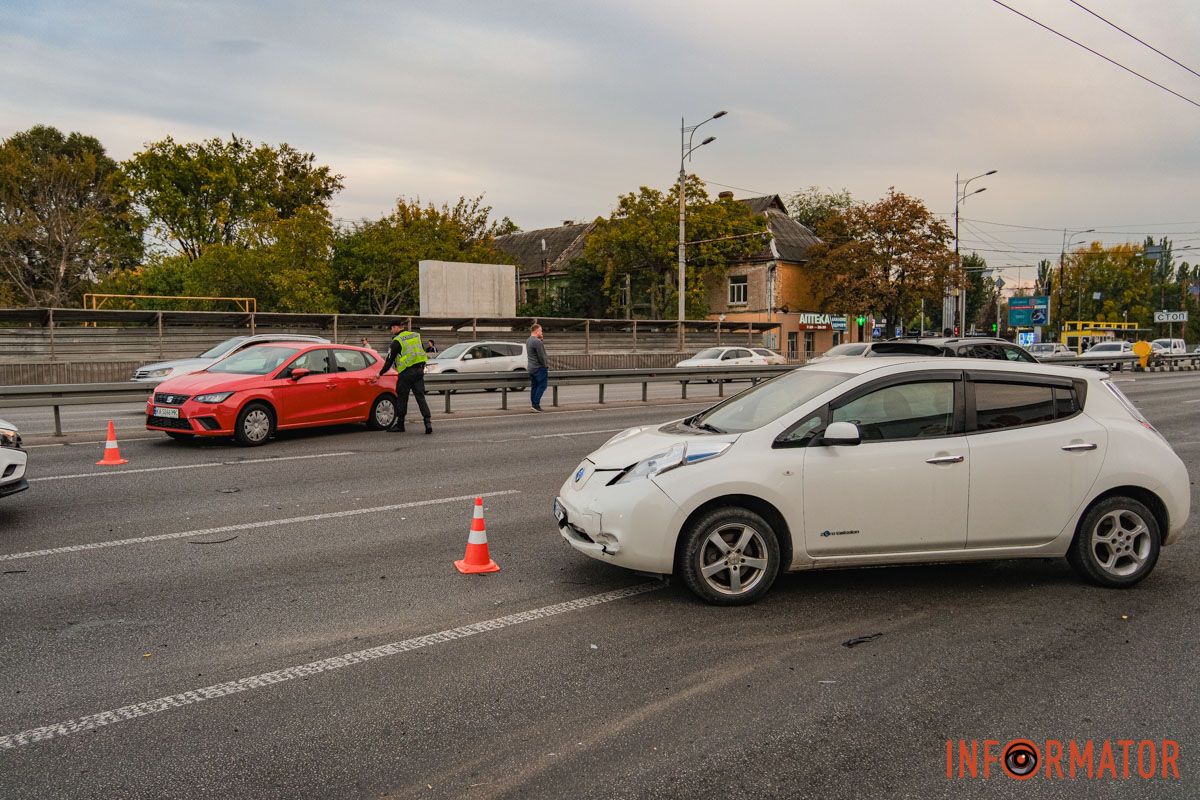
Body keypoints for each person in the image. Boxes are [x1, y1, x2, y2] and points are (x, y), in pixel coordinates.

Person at [378, 321, 432, 434]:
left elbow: (389, 361)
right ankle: (427, 423)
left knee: (402, 398)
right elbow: (421, 351)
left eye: (391, 328)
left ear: (396, 327)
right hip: (419, 371)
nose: (391, 330)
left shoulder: (397, 341)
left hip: (406, 374)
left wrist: (380, 374)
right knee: (420, 398)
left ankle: (400, 424)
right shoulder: (415, 335)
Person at [526, 323, 549, 412]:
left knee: (534, 386)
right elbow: (541, 356)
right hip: (539, 367)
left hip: (531, 368)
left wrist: (541, 340)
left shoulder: (528, 340)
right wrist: (545, 366)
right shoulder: (537, 341)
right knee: (542, 386)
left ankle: (533, 405)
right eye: (541, 330)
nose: (542, 332)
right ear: (537, 331)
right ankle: (536, 405)